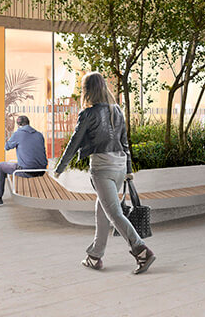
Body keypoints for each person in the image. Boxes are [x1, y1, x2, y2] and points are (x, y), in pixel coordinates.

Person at [53, 72, 155, 273]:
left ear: (87, 90)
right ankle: (94, 256)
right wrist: (128, 171)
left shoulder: (88, 114)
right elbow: (125, 143)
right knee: (103, 210)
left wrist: (60, 168)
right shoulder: (116, 110)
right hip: (119, 167)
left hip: (102, 169)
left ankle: (141, 251)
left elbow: (74, 142)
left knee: (114, 213)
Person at [0, 115, 47, 206]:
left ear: (18, 125)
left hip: (26, 171)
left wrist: (11, 136)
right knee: (16, 164)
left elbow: (7, 147)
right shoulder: (39, 134)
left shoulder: (18, 134)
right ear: (28, 123)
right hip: (42, 170)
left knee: (0, 166)